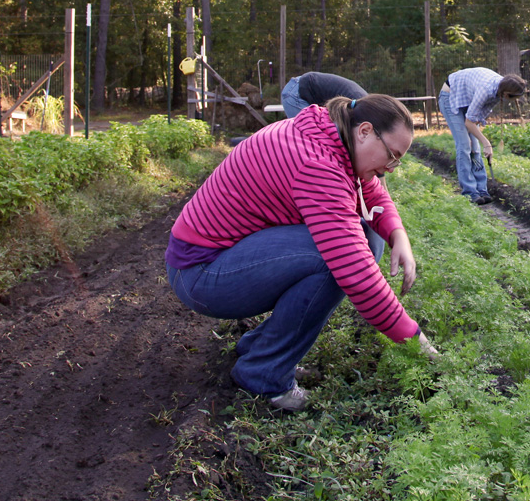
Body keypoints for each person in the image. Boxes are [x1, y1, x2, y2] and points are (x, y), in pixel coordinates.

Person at [165, 94, 436, 411]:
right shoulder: (316, 164)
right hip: (202, 274)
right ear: (364, 131)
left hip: (221, 258)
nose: (388, 169)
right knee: (334, 260)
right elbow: (356, 273)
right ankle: (263, 374)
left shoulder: (329, 132)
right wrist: (416, 340)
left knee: (364, 238)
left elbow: (369, 184)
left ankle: (262, 348)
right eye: (391, 156)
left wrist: (396, 233)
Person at [437, 68, 526, 204]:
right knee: (465, 145)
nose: (511, 100)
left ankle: (481, 189)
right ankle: (469, 192)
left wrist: (481, 142)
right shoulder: (486, 90)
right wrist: (487, 143)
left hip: (467, 98)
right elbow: (469, 122)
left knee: (475, 147)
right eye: (511, 97)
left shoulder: (498, 92)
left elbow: (476, 118)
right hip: (450, 96)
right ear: (506, 92)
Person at [280, 71, 366, 118]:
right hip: (297, 93)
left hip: (300, 88)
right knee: (309, 138)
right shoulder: (361, 108)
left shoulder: (366, 103)